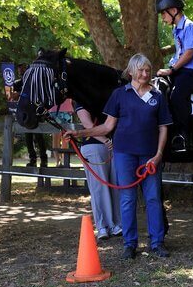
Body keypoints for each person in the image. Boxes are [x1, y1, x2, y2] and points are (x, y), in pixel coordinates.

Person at [65, 54, 172, 260]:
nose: (145, 74)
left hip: (150, 157)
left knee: (153, 199)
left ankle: (157, 242)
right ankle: (130, 244)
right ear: (130, 71)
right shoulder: (119, 95)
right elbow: (107, 126)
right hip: (124, 155)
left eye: (148, 70)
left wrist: (159, 154)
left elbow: (163, 128)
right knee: (127, 198)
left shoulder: (158, 96)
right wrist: (78, 133)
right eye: (140, 70)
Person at [155, 0, 193, 153]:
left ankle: (184, 136)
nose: (162, 17)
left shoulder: (190, 27)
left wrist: (171, 69)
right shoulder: (177, 29)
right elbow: (179, 53)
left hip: (191, 73)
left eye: (163, 13)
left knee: (177, 96)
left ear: (173, 10)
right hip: (180, 71)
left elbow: (189, 53)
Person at [74, 102, 122, 241]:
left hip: (114, 145)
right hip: (94, 145)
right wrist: (106, 141)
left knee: (115, 185)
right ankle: (103, 225)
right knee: (99, 188)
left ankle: (116, 224)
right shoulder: (80, 98)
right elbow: (87, 124)